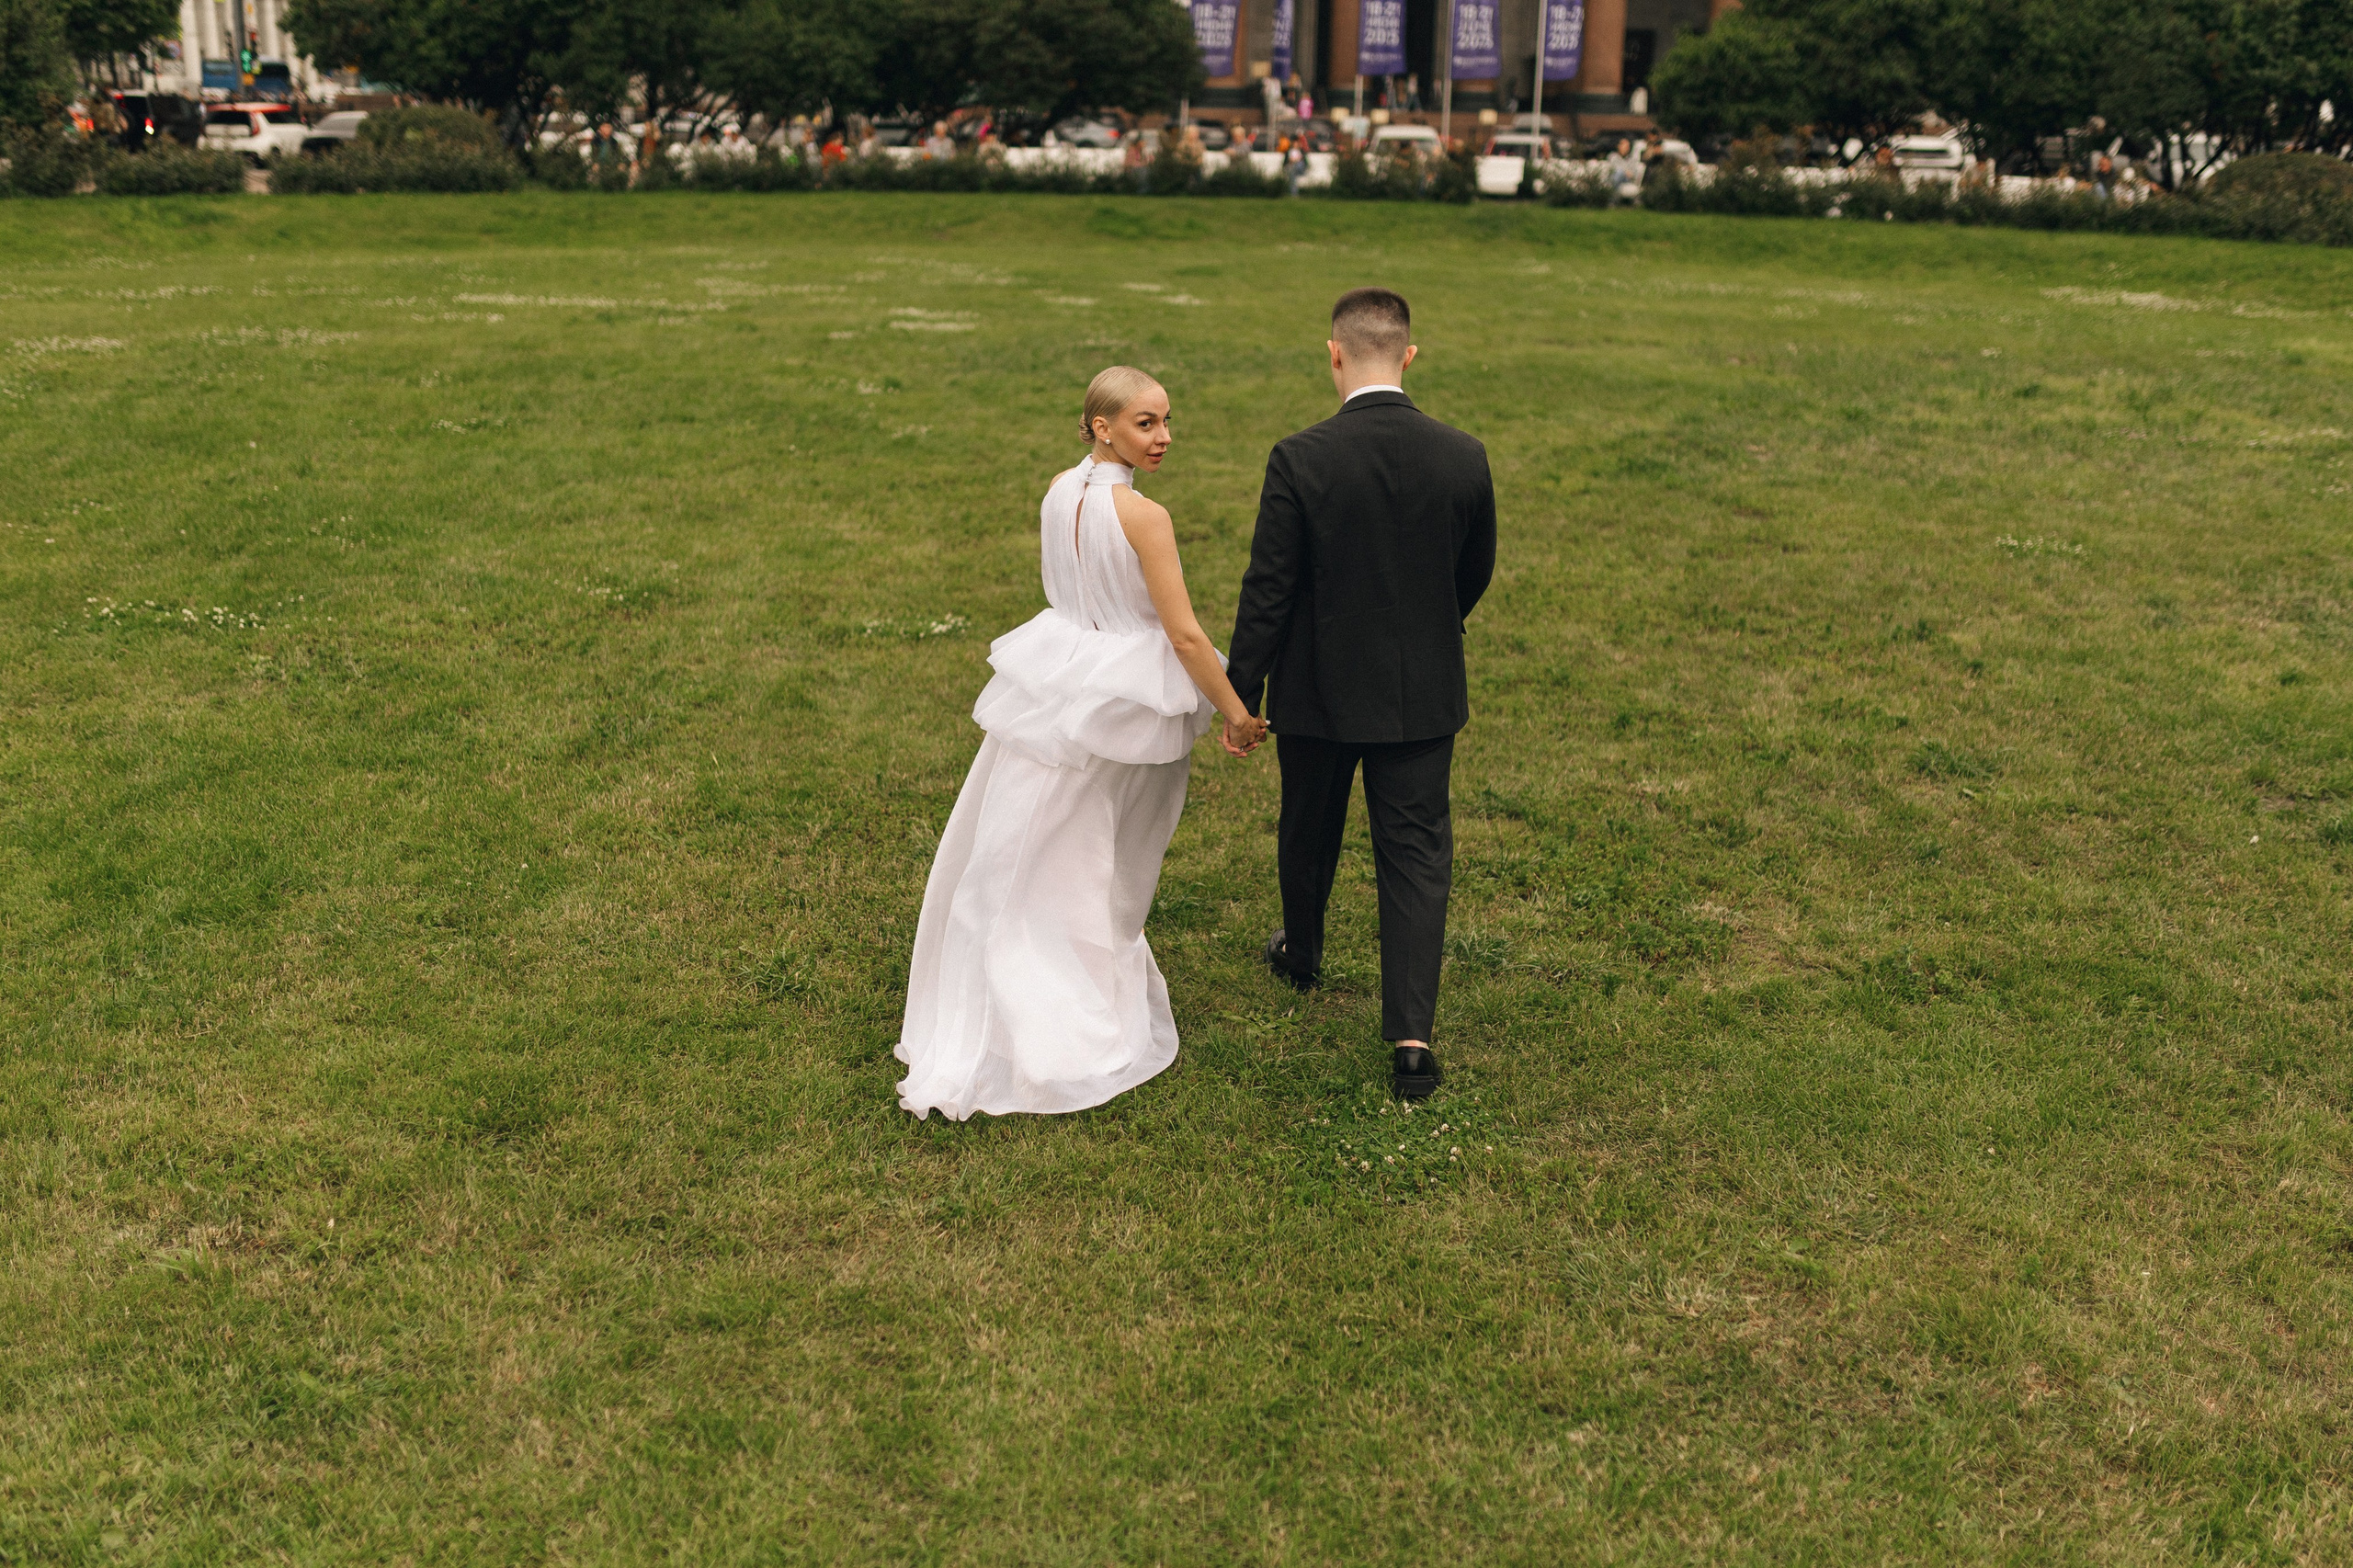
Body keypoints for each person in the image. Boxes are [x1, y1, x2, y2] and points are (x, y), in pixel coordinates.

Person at [896, 369, 1270, 1120]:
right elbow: (1185, 633)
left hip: (1060, 679)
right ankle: (1063, 1016)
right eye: (1143, 423)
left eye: (1166, 421)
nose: (1162, 437)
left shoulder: (1058, 490)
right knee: (1105, 863)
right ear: (1101, 426)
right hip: (1120, 699)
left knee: (1042, 851)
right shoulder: (1143, 517)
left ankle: (1010, 996)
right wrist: (1235, 712)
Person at [1226, 289, 1496, 1101]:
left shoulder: (1299, 457)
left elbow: (1267, 589)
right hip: (1421, 691)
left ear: (1334, 354)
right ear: (1408, 355)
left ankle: (1302, 955)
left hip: (1316, 688)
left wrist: (1242, 693)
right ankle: (1413, 1040)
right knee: (1415, 853)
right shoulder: (1463, 454)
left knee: (1308, 827)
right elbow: (1471, 573)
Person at [1606, 136, 1643, 204]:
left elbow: (1633, 174)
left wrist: (1623, 172)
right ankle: (1612, 199)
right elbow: (1613, 169)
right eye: (1624, 146)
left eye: (1627, 147)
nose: (1626, 148)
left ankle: (1611, 199)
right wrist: (1624, 172)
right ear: (1618, 146)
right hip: (1615, 177)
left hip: (1627, 180)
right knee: (1619, 173)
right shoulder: (1612, 156)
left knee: (1619, 173)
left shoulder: (1631, 159)